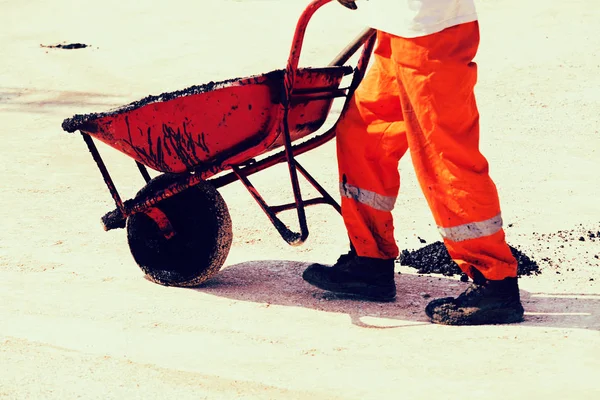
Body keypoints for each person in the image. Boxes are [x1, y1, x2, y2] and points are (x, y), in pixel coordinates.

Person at [302, 0, 525, 325]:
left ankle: (495, 282)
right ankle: (370, 262)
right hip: (398, 26)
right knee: (363, 133)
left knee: (444, 156)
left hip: (431, 31)